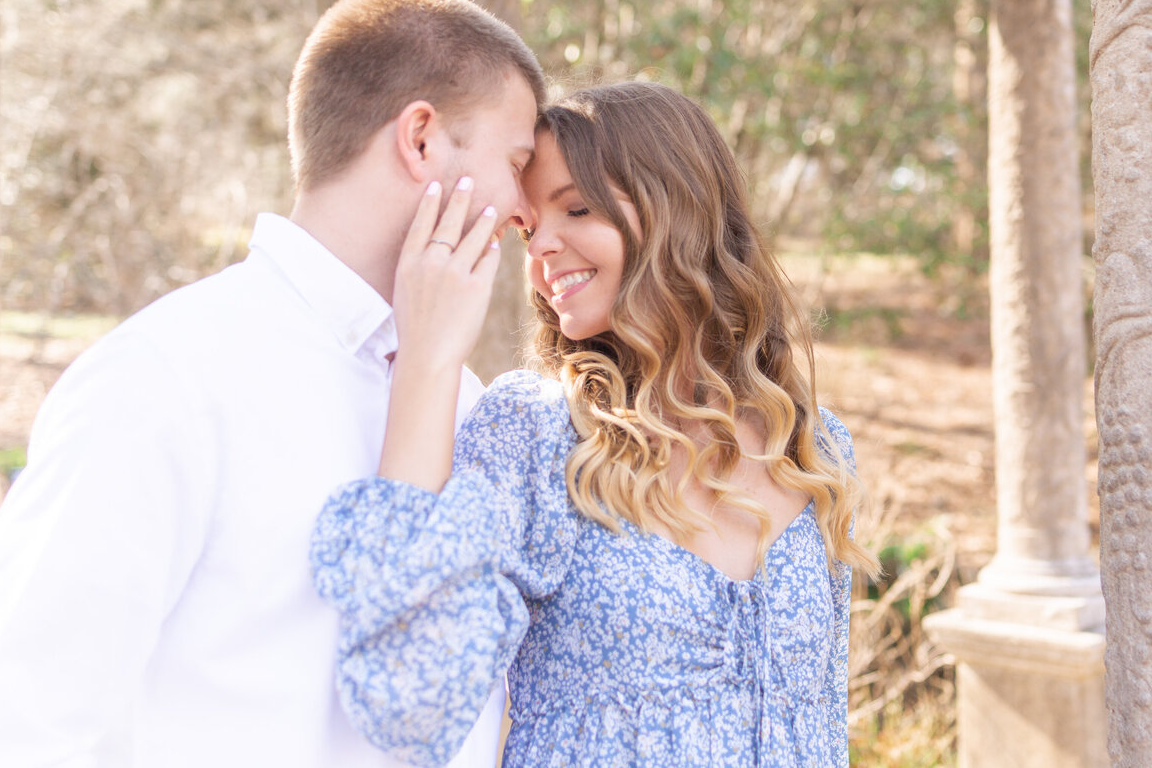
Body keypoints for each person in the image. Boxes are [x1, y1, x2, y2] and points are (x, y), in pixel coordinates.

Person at [0, 0, 545, 768]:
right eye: (517, 160)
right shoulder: (162, 379)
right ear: (421, 139)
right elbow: (32, 721)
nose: (527, 209)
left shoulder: (465, 402)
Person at [310, 81, 881, 767]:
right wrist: (427, 361)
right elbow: (410, 702)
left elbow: (823, 725)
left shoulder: (814, 449)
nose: (541, 248)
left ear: (681, 211)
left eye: (576, 208)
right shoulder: (538, 436)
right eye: (527, 229)